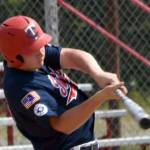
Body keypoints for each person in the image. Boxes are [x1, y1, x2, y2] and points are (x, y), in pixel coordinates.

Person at [0, 15, 127, 150]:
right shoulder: (20, 87)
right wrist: (101, 97)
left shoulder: (35, 58)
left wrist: (98, 74)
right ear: (14, 57)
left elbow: (71, 56)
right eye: (34, 49)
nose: (41, 52)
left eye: (41, 45)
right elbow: (62, 124)